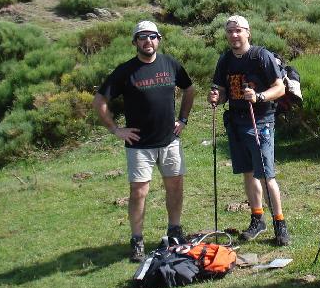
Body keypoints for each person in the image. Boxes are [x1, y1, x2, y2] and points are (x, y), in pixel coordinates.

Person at [93, 20, 195, 262]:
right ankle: (137, 239)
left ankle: (175, 230)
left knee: (175, 186)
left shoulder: (170, 64)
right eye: (142, 37)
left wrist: (183, 119)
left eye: (152, 36)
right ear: (135, 42)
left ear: (159, 39)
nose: (148, 41)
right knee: (139, 191)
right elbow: (100, 101)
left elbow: (189, 89)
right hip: (139, 144)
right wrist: (116, 129)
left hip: (169, 140)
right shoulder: (125, 71)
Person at [207, 15, 291, 246]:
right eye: (230, 31)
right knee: (248, 172)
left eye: (238, 30)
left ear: (248, 32)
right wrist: (216, 97)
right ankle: (257, 219)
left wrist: (259, 96)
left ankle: (280, 223)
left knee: (265, 175)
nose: (234, 35)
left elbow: (280, 88)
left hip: (261, 121)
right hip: (236, 122)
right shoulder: (225, 60)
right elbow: (223, 92)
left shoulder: (261, 56)